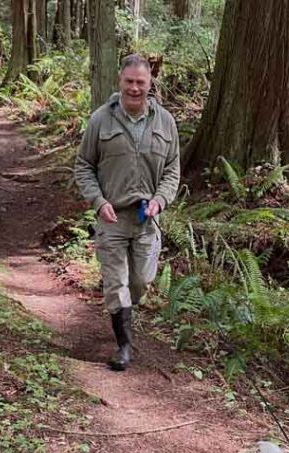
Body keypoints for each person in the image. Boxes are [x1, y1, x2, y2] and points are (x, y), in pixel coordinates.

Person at [74, 54, 181, 371]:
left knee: (140, 282)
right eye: (129, 82)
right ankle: (123, 346)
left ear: (150, 85)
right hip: (113, 218)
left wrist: (160, 200)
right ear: (120, 81)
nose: (135, 88)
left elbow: (173, 169)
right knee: (116, 283)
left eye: (141, 83)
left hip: (147, 219)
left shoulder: (165, 122)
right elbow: (84, 166)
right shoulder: (100, 120)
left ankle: (126, 311)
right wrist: (98, 201)